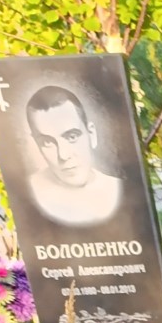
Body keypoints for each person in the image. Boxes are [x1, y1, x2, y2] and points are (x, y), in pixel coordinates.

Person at [24, 85, 122, 227]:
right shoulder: (27, 194)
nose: (63, 155)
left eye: (72, 137)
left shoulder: (122, 191)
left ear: (91, 134)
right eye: (47, 142)